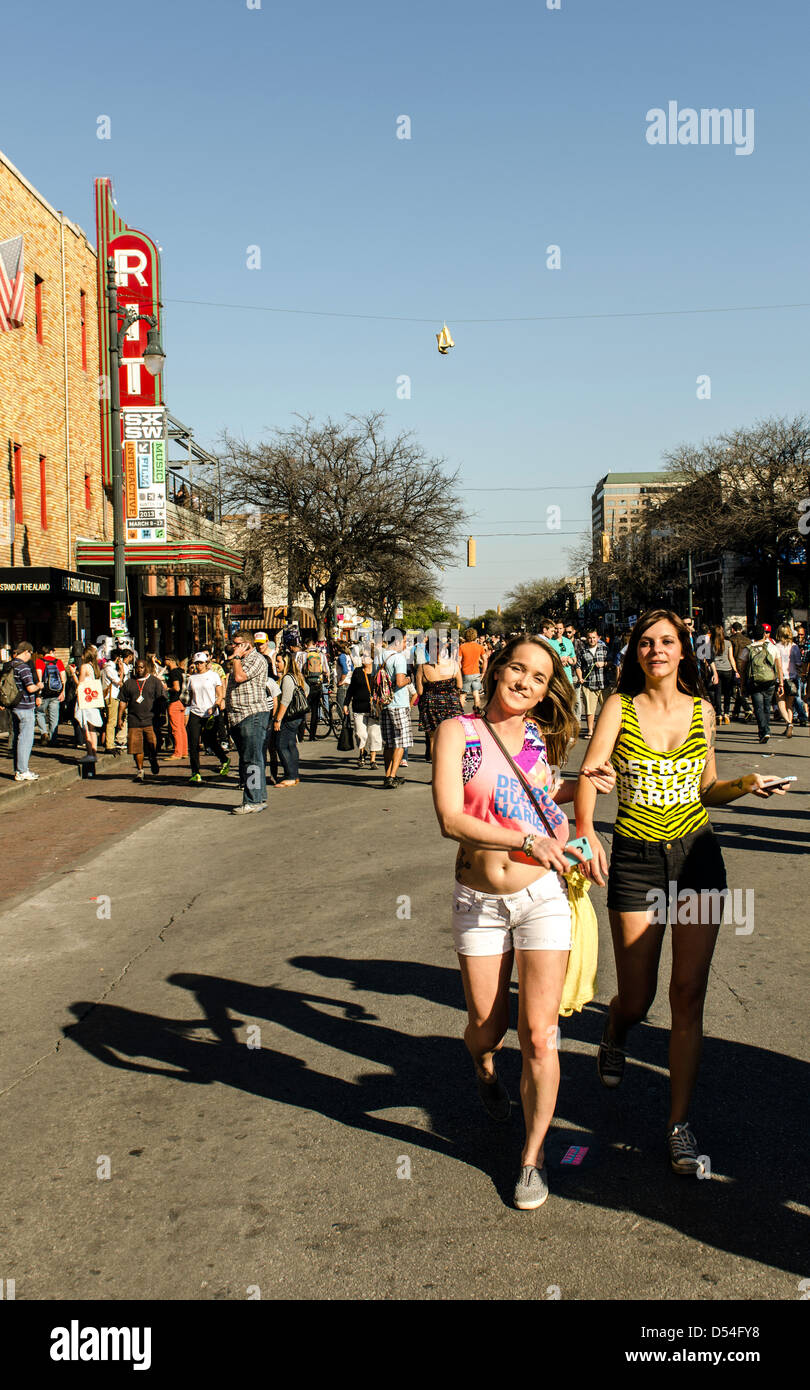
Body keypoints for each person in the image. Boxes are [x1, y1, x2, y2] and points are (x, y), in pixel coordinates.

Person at [574, 608, 789, 1176]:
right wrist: (583, 833)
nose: (656, 650)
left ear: (683, 650)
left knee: (688, 992)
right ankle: (616, 1027)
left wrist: (746, 784)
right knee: (638, 998)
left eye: (667, 641)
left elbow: (707, 789)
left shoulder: (703, 711)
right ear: (635, 654)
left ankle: (678, 1124)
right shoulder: (618, 709)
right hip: (638, 861)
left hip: (696, 859)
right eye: (646, 643)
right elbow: (594, 773)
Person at [431, 636, 616, 1209]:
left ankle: (532, 1159)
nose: (525, 682)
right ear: (496, 669)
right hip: (480, 901)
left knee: (541, 1036)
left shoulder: (538, 738)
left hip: (542, 894)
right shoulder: (458, 733)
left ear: (545, 689)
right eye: (518, 668)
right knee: (488, 1028)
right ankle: (485, 1067)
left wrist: (585, 787)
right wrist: (528, 837)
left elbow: (536, 794)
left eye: (538, 677)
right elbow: (450, 818)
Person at [225, 632, 270, 813]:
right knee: (249, 758)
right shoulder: (240, 660)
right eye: (233, 644)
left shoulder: (256, 659)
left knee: (252, 758)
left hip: (252, 713)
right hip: (238, 715)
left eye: (237, 644)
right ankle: (259, 796)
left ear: (247, 645)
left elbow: (240, 677)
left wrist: (236, 658)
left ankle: (252, 800)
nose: (233, 647)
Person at [415, 636, 463, 763]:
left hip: (431, 704)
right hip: (451, 703)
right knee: (452, 738)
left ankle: (436, 771)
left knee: (433, 739)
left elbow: (419, 691)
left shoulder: (422, 668)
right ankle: (452, 769)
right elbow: (459, 685)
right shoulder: (453, 664)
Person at [117, 658, 165, 781]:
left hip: (150, 720)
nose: (139, 670)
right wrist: (120, 717)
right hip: (134, 720)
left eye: (141, 667)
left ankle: (153, 759)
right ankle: (140, 771)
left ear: (147, 668)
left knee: (152, 745)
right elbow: (123, 701)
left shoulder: (154, 682)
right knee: (136, 747)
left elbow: (161, 700)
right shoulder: (129, 683)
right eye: (137, 667)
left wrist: (161, 715)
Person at [186, 654, 226, 783]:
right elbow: (190, 696)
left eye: (201, 663)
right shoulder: (192, 678)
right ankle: (195, 772)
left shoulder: (213, 676)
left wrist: (215, 706)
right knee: (193, 743)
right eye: (196, 663)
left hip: (210, 713)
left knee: (210, 741)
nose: (198, 666)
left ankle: (224, 759)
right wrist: (187, 711)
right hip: (195, 712)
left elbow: (220, 695)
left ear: (206, 663)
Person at [379, 632, 413, 789]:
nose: (405, 644)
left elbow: (376, 679)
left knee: (388, 742)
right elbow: (399, 682)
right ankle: (391, 776)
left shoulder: (379, 656)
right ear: (398, 641)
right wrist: (409, 679)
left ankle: (388, 774)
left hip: (384, 704)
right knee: (400, 741)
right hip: (398, 703)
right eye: (405, 641)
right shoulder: (398, 657)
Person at [739, 623, 782, 744]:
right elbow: (778, 667)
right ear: (764, 634)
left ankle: (763, 731)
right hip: (770, 681)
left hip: (755, 682)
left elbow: (742, 669)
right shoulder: (772, 648)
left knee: (758, 708)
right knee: (767, 707)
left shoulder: (748, 648)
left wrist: (742, 685)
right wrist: (781, 683)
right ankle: (766, 729)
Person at [9, 641, 43, 781]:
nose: (30, 655)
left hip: (14, 705)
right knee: (25, 740)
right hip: (25, 706)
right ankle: (23, 770)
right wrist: (39, 685)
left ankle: (18, 769)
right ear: (26, 652)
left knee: (17, 738)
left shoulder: (10, 665)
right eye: (30, 652)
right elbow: (30, 688)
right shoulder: (23, 667)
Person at [274, 652, 308, 786]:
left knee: (281, 745)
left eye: (279, 661)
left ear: (286, 663)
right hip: (298, 715)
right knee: (290, 745)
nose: (276, 664)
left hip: (290, 716)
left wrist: (278, 719)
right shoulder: (296, 676)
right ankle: (294, 774)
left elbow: (285, 701)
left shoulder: (287, 678)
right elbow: (307, 688)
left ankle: (291, 775)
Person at [344, 651, 382, 768]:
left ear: (372, 659)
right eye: (362, 656)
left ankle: (373, 760)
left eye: (365, 656)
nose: (362, 658)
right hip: (358, 708)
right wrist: (346, 703)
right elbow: (351, 689)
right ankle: (361, 754)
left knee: (374, 734)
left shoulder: (378, 672)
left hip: (374, 709)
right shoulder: (357, 671)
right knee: (360, 734)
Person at [74, 646, 105, 764]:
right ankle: (94, 753)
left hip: (85, 699)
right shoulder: (94, 667)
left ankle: (89, 753)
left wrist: (73, 675)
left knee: (85, 727)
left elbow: (80, 685)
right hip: (92, 700)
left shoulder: (84, 666)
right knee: (92, 728)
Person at [577, 628, 609, 737]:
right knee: (590, 710)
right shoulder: (583, 651)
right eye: (589, 638)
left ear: (598, 638)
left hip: (604, 684)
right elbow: (578, 666)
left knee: (606, 709)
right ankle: (590, 731)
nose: (591, 640)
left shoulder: (604, 649)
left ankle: (605, 731)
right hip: (589, 685)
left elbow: (611, 662)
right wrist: (580, 677)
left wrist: (604, 664)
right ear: (587, 639)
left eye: (594, 637)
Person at [34, 643, 66, 746]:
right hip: (55, 693)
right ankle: (53, 738)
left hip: (43, 693)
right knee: (54, 716)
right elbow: (63, 678)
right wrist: (62, 692)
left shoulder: (39, 662)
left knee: (40, 713)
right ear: (51, 651)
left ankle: (44, 733)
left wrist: (38, 694)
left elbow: (39, 680)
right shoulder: (58, 662)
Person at [774, 623, 802, 738]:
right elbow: (799, 663)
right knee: (790, 705)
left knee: (781, 703)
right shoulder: (794, 647)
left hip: (780, 678)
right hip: (793, 677)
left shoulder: (776, 646)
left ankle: (789, 724)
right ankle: (788, 726)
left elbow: (775, 663)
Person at [708, 624, 737, 723]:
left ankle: (719, 714)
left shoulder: (711, 644)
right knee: (728, 693)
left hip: (717, 669)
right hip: (727, 669)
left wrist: (714, 672)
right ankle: (726, 714)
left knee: (718, 693)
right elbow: (731, 657)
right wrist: (735, 670)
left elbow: (710, 660)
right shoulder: (728, 643)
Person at [302, 637, 329, 739]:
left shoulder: (303, 655)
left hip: (306, 685)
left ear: (306, 645)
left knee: (303, 709)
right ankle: (312, 735)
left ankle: (301, 733)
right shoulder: (321, 655)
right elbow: (326, 670)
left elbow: (298, 670)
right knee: (314, 710)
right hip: (318, 684)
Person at [163, 654, 188, 759]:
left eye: (165, 660)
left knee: (175, 728)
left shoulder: (173, 672)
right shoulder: (181, 671)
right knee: (182, 728)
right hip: (182, 701)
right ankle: (184, 751)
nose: (164, 662)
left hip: (174, 701)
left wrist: (167, 688)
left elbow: (176, 688)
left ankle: (177, 752)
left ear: (170, 661)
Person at [458, 627, 487, 713]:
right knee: (476, 694)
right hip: (476, 673)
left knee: (463, 694)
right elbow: (485, 659)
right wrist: (483, 672)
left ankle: (459, 713)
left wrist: (458, 674)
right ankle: (477, 712)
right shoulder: (480, 647)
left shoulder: (462, 647)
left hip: (465, 673)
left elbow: (458, 662)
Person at [729, 622, 751, 721]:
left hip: (734, 666)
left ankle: (747, 708)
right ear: (741, 629)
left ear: (733, 630)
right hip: (746, 667)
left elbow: (730, 655)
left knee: (736, 690)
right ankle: (736, 711)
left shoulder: (730, 640)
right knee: (740, 689)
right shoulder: (748, 641)